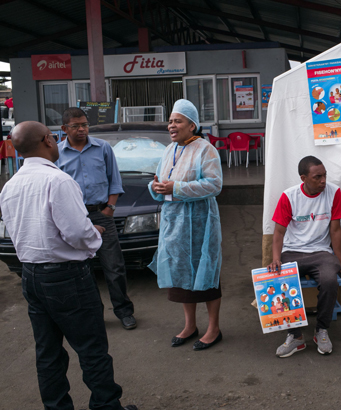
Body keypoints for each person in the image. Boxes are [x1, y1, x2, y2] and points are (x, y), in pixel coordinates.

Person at [0, 121, 138, 410]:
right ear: (48, 140)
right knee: (92, 349)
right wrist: (94, 236)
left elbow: (16, 232)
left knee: (48, 352)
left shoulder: (10, 186)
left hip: (32, 275)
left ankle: (57, 406)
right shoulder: (59, 181)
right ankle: (106, 406)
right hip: (66, 277)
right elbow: (77, 233)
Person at [149, 99, 223, 351]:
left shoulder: (206, 149)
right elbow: (160, 179)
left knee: (206, 273)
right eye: (170, 121)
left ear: (192, 125)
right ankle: (190, 325)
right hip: (174, 224)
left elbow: (214, 185)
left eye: (177, 121)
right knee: (181, 274)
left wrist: (176, 188)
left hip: (200, 224)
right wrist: (156, 187)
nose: (171, 125)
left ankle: (213, 328)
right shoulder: (169, 150)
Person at [57, 107, 136, 330]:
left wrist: (109, 208)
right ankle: (93, 315)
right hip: (73, 217)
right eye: (76, 126)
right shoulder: (56, 154)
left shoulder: (103, 148)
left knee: (114, 266)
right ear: (64, 129)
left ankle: (124, 311)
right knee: (81, 269)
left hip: (101, 214)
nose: (82, 129)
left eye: (84, 124)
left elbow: (115, 180)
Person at [268, 156, 341, 357]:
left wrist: (338, 263)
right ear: (303, 178)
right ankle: (295, 336)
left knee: (330, 280)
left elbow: (336, 231)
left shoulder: (333, 193)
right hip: (292, 251)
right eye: (317, 177)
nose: (323, 180)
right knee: (280, 280)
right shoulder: (289, 196)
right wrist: (275, 258)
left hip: (321, 252)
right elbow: (278, 233)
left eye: (324, 175)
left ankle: (321, 330)